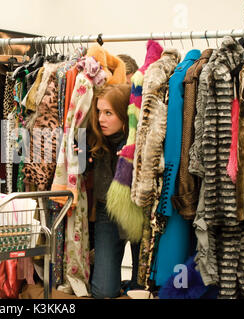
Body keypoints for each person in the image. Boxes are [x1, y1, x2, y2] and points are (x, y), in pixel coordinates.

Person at [86, 84, 141, 299]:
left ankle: (132, 282)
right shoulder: (94, 138)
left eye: (108, 113)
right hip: (106, 212)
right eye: (99, 111)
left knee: (141, 287)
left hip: (137, 212)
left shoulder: (139, 140)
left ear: (124, 113)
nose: (101, 119)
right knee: (103, 291)